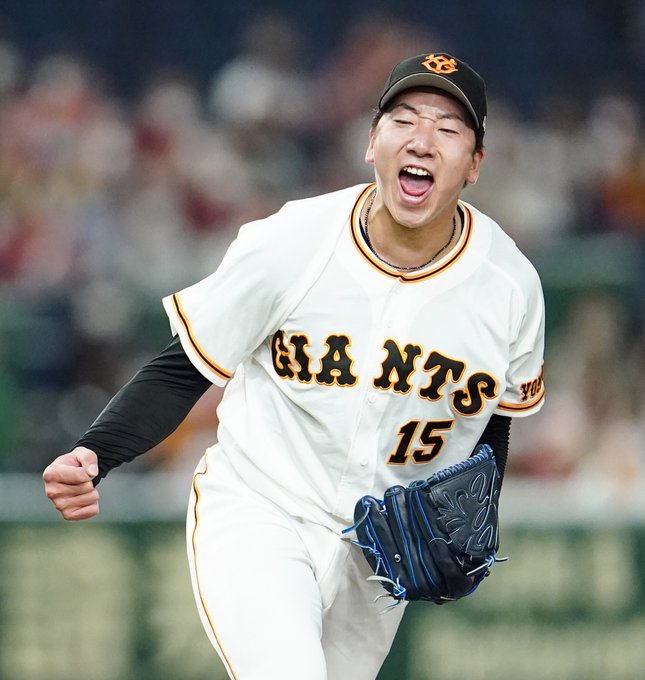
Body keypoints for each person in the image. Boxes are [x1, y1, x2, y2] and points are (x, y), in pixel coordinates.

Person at [43, 52, 546, 680]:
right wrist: (97, 452)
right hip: (261, 508)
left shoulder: (510, 287)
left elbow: (497, 420)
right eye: (403, 120)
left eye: (447, 129)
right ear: (371, 143)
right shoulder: (294, 240)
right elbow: (185, 368)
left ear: (474, 165)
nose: (422, 140)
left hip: (376, 556)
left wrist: (478, 512)